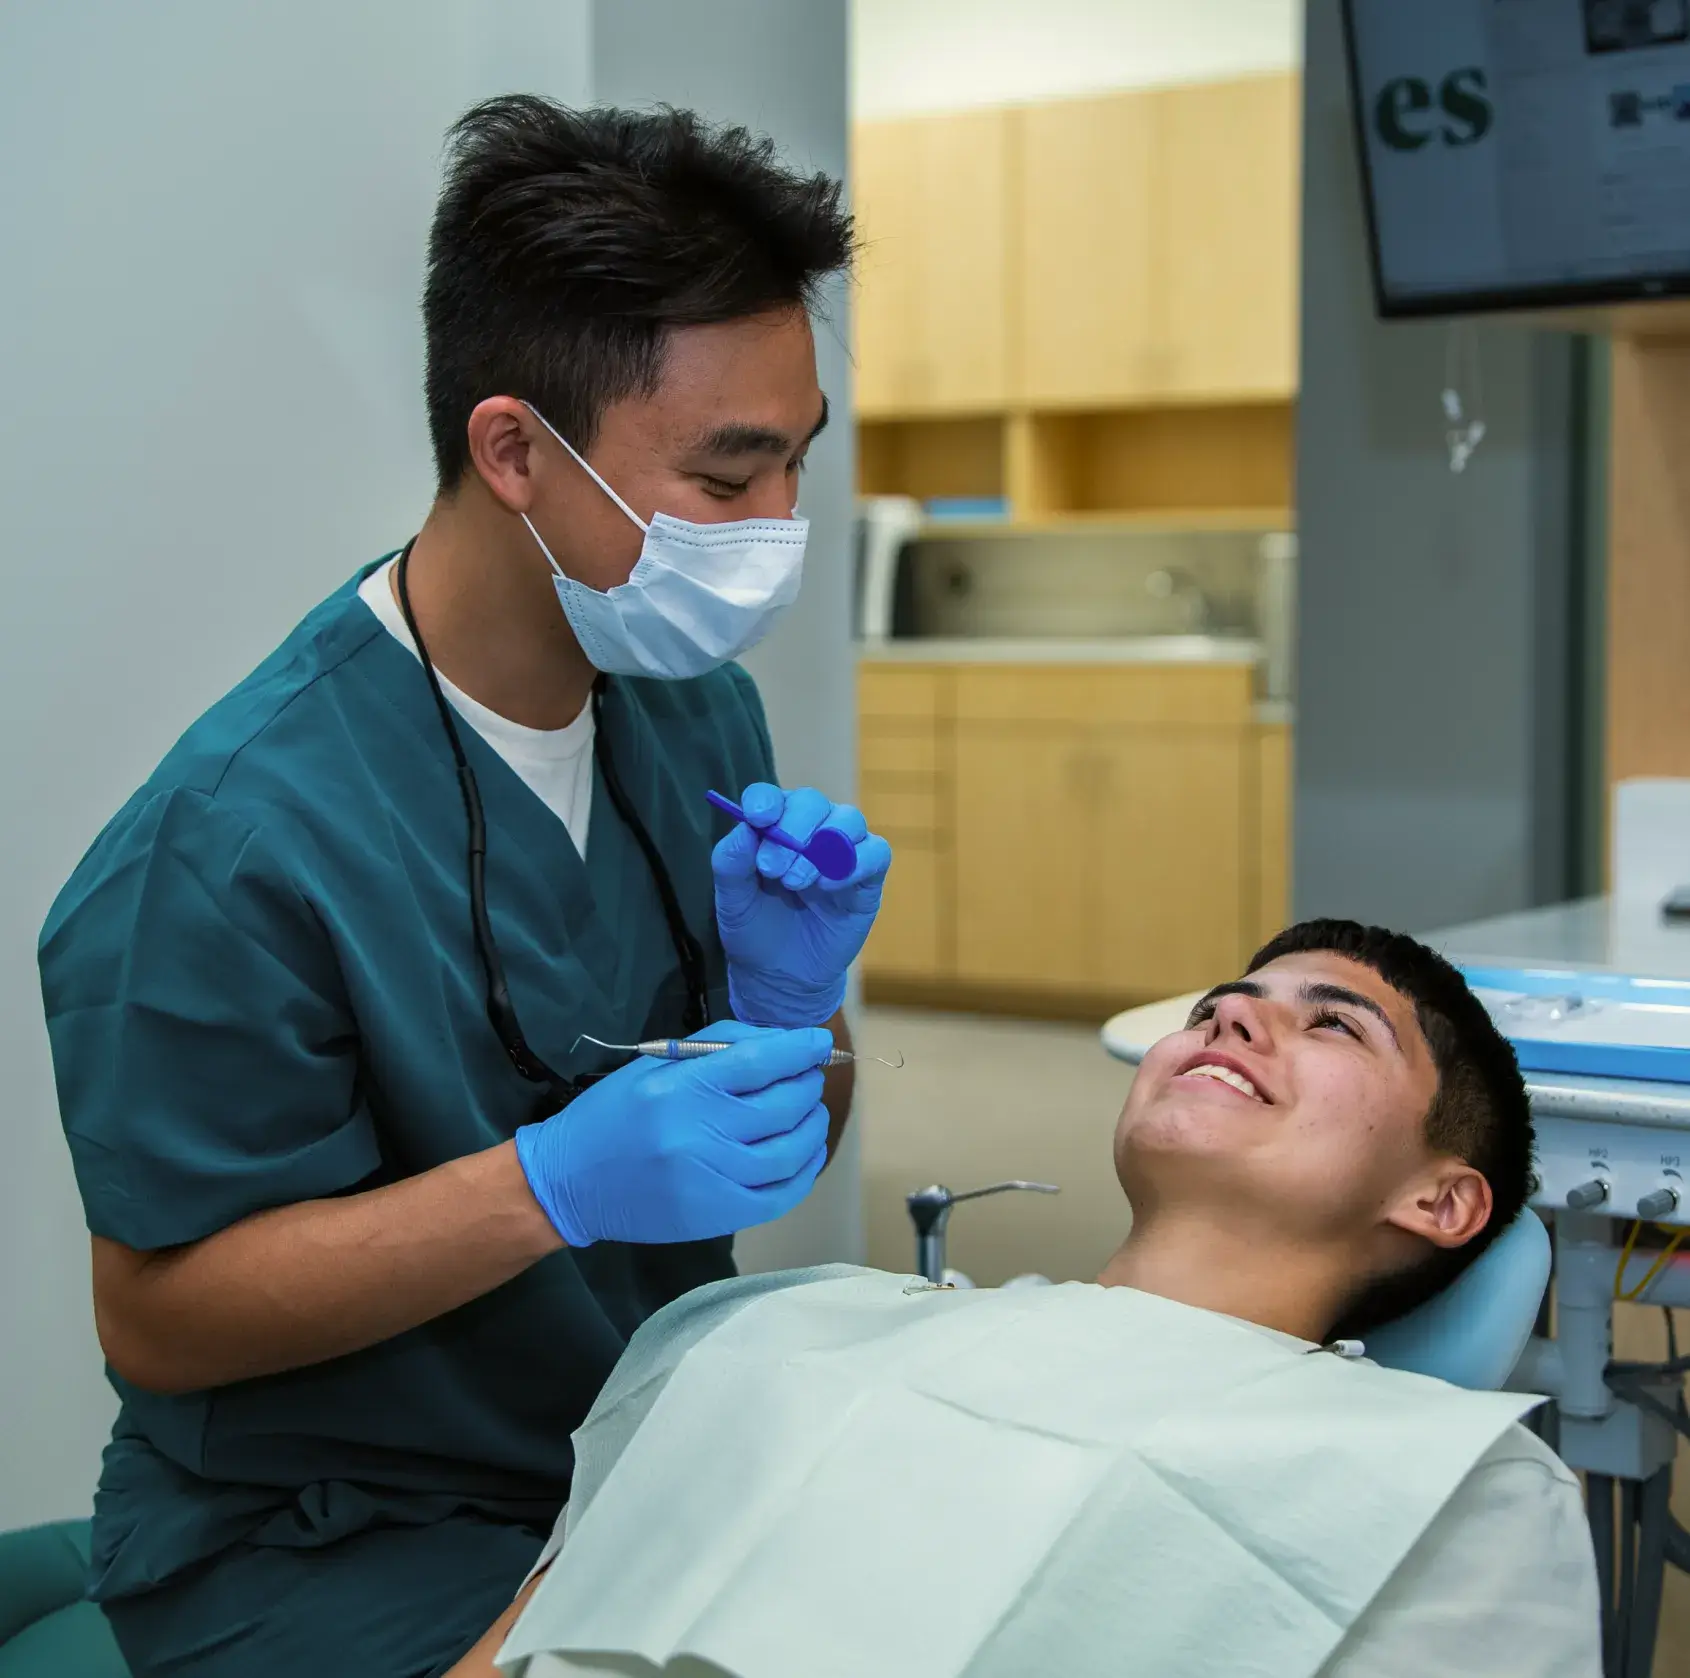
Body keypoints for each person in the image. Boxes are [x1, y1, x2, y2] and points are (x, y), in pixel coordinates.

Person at [38, 98, 886, 1678]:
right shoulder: (232, 838)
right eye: (725, 475)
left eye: (796, 462)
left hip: (633, 1453)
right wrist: (547, 1184)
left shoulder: (687, 702)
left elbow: (763, 1153)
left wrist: (793, 1009)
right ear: (513, 450)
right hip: (325, 1534)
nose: (779, 531)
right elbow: (155, 1321)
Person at [453, 921, 1600, 1678]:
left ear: (1443, 1201)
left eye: (1333, 1022)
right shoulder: (787, 1324)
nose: (1226, 1019)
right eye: (1217, 1006)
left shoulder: (1454, 1490)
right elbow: (514, 1645)